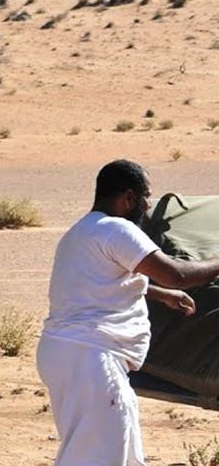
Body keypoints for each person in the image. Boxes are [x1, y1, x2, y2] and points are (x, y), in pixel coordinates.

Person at [37, 159, 219, 465]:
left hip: (69, 355)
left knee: (122, 455)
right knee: (98, 458)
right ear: (129, 198)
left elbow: (106, 279)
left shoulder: (81, 232)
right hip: (91, 359)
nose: (148, 206)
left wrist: (162, 296)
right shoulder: (116, 229)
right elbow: (178, 274)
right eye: (146, 197)